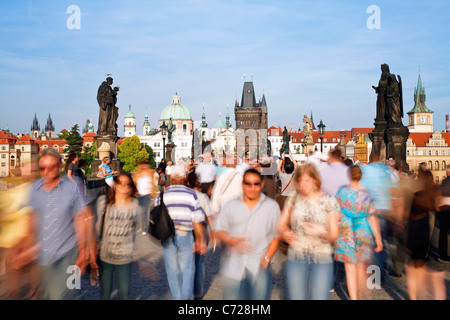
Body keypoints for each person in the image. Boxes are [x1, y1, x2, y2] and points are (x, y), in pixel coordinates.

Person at [25, 148, 96, 299]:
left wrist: (84, 251)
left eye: (51, 167)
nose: (46, 172)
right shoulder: (33, 189)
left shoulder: (72, 188)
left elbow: (82, 219)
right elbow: (31, 219)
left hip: (70, 254)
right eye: (42, 168)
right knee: (46, 294)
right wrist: (28, 247)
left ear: (59, 166)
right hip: (43, 255)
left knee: (67, 293)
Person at [215, 169, 280, 300]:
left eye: (256, 184)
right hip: (234, 263)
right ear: (242, 185)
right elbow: (219, 229)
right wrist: (230, 240)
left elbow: (276, 236)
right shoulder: (231, 205)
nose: (252, 187)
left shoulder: (271, 206)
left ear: (262, 185)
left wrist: (267, 259)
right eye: (248, 183)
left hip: (260, 264)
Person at [277, 163, 340, 300]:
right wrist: (285, 231)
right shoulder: (294, 197)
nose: (302, 185)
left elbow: (334, 235)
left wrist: (321, 232)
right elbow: (281, 223)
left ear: (315, 181)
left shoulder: (329, 200)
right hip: (297, 256)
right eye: (299, 181)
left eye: (306, 181)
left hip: (321, 257)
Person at [155, 165, 207, 300]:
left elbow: (156, 216)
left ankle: (177, 298)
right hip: (185, 234)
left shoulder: (162, 195)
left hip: (167, 236)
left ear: (171, 177)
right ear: (184, 177)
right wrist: (200, 240)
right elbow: (197, 220)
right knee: (187, 270)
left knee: (172, 270)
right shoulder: (191, 194)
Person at [334, 165, 383, 300]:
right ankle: (362, 295)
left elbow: (335, 212)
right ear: (361, 176)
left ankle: (354, 298)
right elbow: (372, 217)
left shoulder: (342, 191)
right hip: (363, 231)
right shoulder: (366, 194)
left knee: (349, 270)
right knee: (361, 267)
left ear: (349, 175)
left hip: (346, 231)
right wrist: (378, 238)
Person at [96, 174, 143, 300]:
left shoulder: (135, 206)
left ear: (131, 188)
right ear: (115, 185)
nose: (123, 186)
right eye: (120, 182)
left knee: (125, 293)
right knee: (105, 294)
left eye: (127, 184)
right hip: (105, 255)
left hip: (125, 256)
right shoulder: (103, 202)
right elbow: (98, 228)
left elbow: (137, 229)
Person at [405, 170, 445, 300]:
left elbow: (409, 215)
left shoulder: (417, 195)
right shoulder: (435, 193)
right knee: (432, 274)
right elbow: (438, 207)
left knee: (413, 269)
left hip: (415, 231)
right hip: (428, 233)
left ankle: (414, 296)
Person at [359, 151, 396, 281]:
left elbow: (360, 189)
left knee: (370, 242)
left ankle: (371, 273)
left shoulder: (364, 169)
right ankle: (382, 273)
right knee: (382, 242)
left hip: (370, 210)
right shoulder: (387, 170)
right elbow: (393, 190)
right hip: (384, 208)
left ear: (370, 158)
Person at [186, 171, 215, 300]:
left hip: (188, 230)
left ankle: (188, 291)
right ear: (199, 183)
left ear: (187, 183)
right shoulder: (203, 197)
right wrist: (213, 232)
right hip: (202, 231)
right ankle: (198, 292)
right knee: (199, 262)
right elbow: (209, 217)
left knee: (187, 262)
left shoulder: (185, 196)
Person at [132, 160, 155, 235]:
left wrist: (152, 193)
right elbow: (134, 183)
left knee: (144, 212)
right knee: (137, 212)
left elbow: (153, 183)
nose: (143, 167)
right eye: (142, 165)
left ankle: (144, 229)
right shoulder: (137, 173)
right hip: (138, 195)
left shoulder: (150, 173)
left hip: (146, 195)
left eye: (145, 165)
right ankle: (138, 227)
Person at [436, 165, 450, 262]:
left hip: (445, 208)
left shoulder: (444, 182)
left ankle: (442, 255)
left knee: (443, 233)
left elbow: (440, 194)